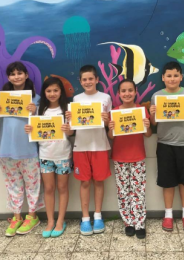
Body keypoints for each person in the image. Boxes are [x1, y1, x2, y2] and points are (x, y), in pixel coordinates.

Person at [0, 61, 44, 237]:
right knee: (12, 184)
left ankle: (32, 216)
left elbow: (42, 125)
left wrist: (35, 110)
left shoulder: (36, 98)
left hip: (28, 149)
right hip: (5, 148)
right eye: (13, 74)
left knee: (32, 184)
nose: (17, 76)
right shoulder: (1, 98)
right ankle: (16, 216)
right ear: (8, 77)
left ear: (26, 75)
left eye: (20, 73)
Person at [149, 61, 184, 231]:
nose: (172, 79)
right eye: (168, 76)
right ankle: (168, 215)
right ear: (163, 78)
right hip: (164, 144)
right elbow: (154, 123)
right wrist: (152, 114)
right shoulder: (156, 96)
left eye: (175, 75)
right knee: (167, 181)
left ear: (181, 77)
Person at [65, 65, 112, 236]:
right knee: (84, 182)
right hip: (80, 147)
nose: (88, 82)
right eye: (84, 79)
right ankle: (85, 217)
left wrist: (106, 120)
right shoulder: (76, 99)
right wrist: (69, 121)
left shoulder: (106, 98)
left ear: (97, 80)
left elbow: (109, 125)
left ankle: (98, 215)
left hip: (100, 146)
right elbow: (71, 131)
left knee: (99, 181)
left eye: (91, 79)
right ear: (80, 81)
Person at [25, 77, 73, 238]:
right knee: (49, 188)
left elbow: (72, 133)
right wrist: (30, 129)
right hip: (45, 156)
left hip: (63, 155)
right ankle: (50, 221)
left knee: (62, 188)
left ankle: (60, 220)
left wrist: (68, 129)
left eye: (56, 90)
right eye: (49, 91)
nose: (52, 94)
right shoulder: (39, 110)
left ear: (61, 92)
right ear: (44, 92)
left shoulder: (67, 109)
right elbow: (36, 133)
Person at [108, 79, 152, 239]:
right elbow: (111, 137)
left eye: (130, 90)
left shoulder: (141, 110)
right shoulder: (114, 112)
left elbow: (147, 135)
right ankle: (128, 222)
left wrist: (147, 125)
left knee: (138, 191)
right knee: (123, 191)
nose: (127, 94)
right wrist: (111, 129)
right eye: (123, 91)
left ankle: (140, 223)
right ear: (118, 94)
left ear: (135, 92)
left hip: (138, 156)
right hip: (119, 156)